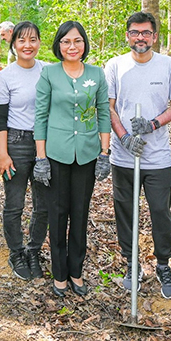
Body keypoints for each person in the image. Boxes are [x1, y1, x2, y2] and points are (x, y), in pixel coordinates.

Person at [106, 12, 171, 299]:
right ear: (127, 35)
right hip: (124, 157)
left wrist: (153, 124)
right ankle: (132, 263)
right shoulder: (114, 66)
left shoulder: (168, 66)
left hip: (157, 157)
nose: (140, 37)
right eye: (135, 32)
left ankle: (163, 264)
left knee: (160, 213)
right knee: (125, 212)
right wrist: (124, 137)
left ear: (154, 36)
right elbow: (109, 106)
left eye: (146, 32)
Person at [33, 21, 110, 297]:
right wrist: (40, 157)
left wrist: (104, 153)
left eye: (77, 41)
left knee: (80, 214)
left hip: (87, 153)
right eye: (66, 41)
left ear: (84, 44)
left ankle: (76, 272)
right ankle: (60, 275)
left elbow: (103, 113)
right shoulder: (49, 74)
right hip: (55, 153)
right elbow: (40, 115)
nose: (72, 46)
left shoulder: (97, 74)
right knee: (58, 214)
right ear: (58, 45)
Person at [0, 21, 48, 281]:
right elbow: (0, 118)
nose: (28, 45)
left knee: (43, 204)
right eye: (22, 40)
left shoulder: (49, 71)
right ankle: (16, 252)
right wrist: (3, 153)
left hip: (46, 145)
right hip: (15, 143)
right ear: (13, 43)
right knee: (14, 204)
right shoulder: (5, 76)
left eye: (33, 39)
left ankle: (34, 250)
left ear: (39, 42)